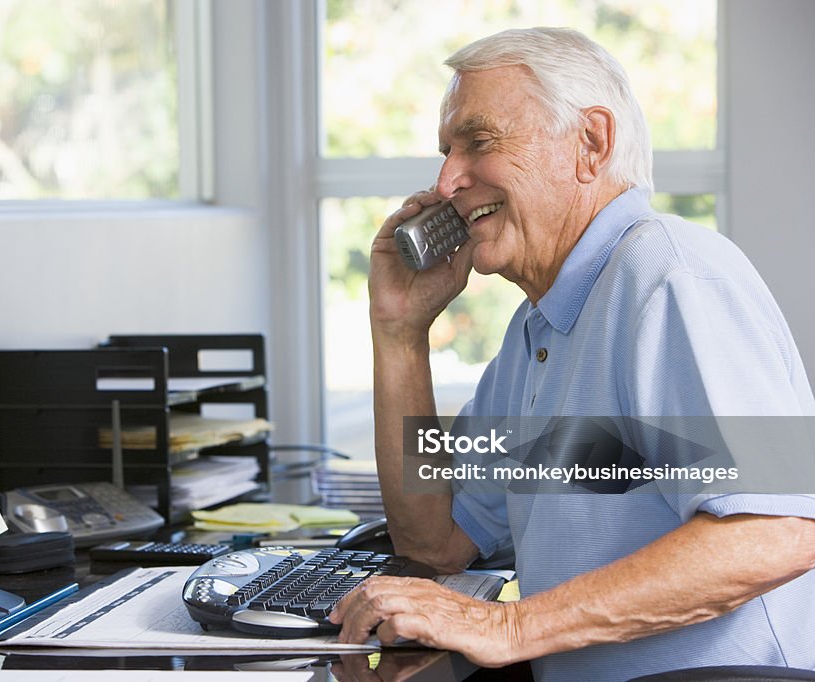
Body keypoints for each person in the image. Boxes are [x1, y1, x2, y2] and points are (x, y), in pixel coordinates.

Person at [328, 27, 815, 681]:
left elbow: (779, 528)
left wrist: (508, 624)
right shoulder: (541, 328)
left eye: (479, 142)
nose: (447, 182)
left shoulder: (671, 276)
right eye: (446, 152)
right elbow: (435, 539)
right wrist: (399, 334)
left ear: (591, 144)